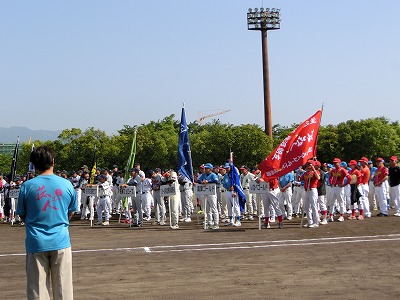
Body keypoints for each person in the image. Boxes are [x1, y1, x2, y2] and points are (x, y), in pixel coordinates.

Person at [16, 146, 78, 300]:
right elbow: (71, 211)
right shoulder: (66, 184)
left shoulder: (27, 186)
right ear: (53, 162)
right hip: (61, 240)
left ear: (34, 165)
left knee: (37, 289)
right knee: (63, 289)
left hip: (36, 241)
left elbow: (22, 214)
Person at [328, 158, 352, 222]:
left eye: (336, 163)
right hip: (334, 187)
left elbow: (349, 177)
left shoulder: (343, 170)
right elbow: (330, 177)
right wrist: (331, 183)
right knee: (331, 201)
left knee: (341, 201)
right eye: (334, 163)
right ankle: (330, 215)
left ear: (339, 163)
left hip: (339, 187)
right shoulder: (333, 170)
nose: (335, 164)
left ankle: (342, 216)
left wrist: (344, 184)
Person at [197, 163, 220, 229]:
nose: (206, 169)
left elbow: (216, 181)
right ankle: (209, 222)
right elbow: (198, 180)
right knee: (207, 209)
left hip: (212, 193)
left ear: (210, 169)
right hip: (205, 192)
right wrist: (202, 182)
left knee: (214, 208)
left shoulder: (213, 175)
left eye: (207, 168)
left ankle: (216, 223)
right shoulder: (203, 175)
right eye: (205, 168)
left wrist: (208, 181)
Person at [300, 160, 321, 228]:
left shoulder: (316, 171)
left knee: (314, 206)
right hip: (306, 190)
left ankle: (316, 222)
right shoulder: (306, 173)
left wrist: (313, 169)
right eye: (307, 164)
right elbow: (300, 178)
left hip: (312, 190)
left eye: (309, 164)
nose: (308, 166)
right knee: (306, 207)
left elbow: (318, 177)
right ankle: (310, 221)